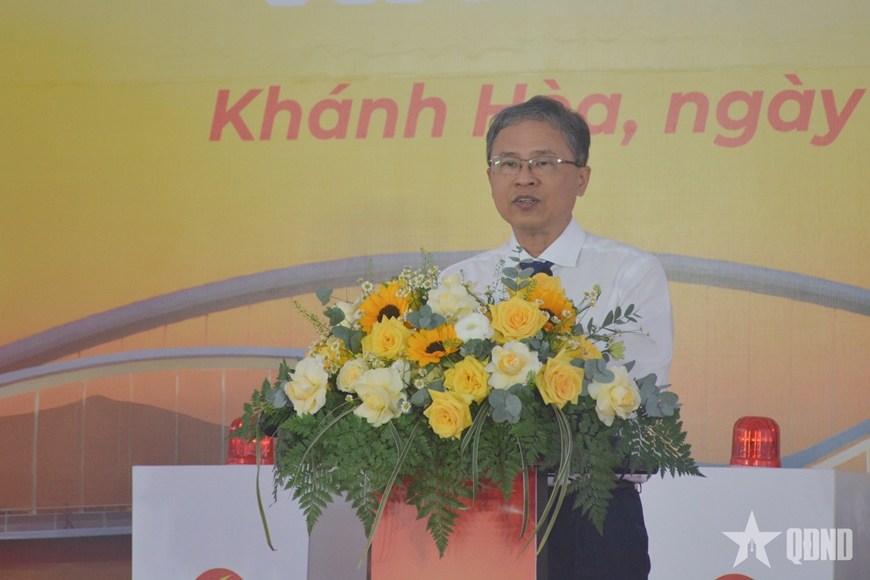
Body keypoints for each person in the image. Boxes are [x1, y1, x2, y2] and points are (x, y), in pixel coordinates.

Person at [441, 96, 674, 580]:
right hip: (478, 511)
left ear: (582, 178)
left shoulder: (630, 273)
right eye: (508, 163)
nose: (524, 178)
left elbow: (633, 393)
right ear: (490, 178)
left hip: (592, 513)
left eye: (543, 163)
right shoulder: (458, 283)